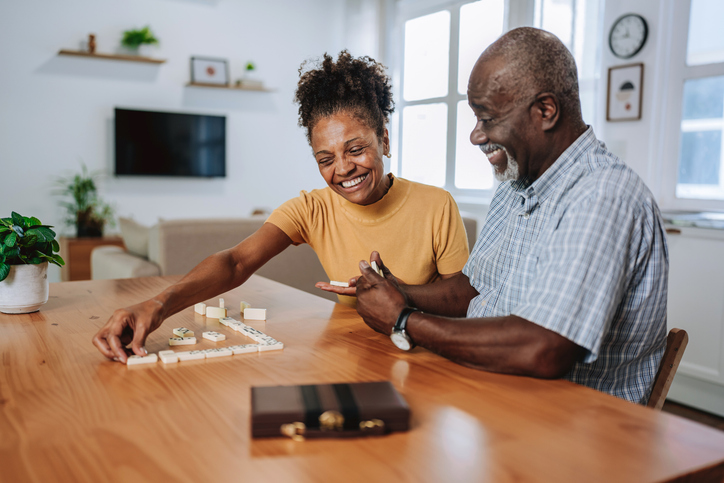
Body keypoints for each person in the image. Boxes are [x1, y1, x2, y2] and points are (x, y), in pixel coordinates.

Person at [354, 28, 668, 405]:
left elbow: (544, 347)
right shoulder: (516, 181)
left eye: (487, 118)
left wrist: (403, 320)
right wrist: (400, 292)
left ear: (545, 111)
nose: (474, 135)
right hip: (495, 399)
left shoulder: (602, 195)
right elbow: (475, 290)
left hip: (575, 433)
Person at [92, 51, 470, 363]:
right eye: (325, 158)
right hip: (353, 355)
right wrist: (157, 305)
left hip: (424, 355)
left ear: (384, 139)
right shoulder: (310, 210)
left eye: (356, 149)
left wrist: (400, 293)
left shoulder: (436, 204)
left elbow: (463, 296)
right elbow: (235, 262)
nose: (342, 169)